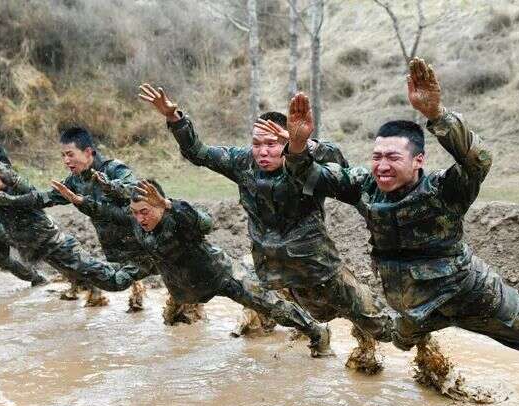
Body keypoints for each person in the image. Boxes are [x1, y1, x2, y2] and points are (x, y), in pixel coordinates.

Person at [281, 57, 519, 365]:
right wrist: (296, 146)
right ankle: (430, 367)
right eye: (377, 156)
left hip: (473, 294)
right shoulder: (363, 185)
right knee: (399, 343)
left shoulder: (444, 190)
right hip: (415, 308)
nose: (381, 166)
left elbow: (478, 160)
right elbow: (310, 176)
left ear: (418, 161)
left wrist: (436, 115)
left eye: (393, 157)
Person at [138, 83, 394, 370]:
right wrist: (176, 119)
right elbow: (198, 152)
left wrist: (302, 144)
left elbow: (338, 164)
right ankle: (310, 336)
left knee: (371, 318)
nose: (262, 151)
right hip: (271, 268)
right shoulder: (242, 163)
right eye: (257, 143)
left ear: (286, 143)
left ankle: (402, 349)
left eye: (271, 144)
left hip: (317, 267)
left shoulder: (308, 165)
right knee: (271, 305)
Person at [48, 177, 335, 358]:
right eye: (135, 213)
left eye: (145, 211)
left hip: (219, 275)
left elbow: (206, 221)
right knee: (172, 322)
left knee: (270, 305)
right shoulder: (137, 221)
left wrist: (172, 205)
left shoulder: (178, 219)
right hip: (183, 286)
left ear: (160, 206)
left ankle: (316, 333)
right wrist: (80, 202)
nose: (140, 218)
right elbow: (108, 212)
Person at [0, 140, 136, 292]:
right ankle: (94, 295)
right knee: (81, 278)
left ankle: (135, 275)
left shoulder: (19, 190)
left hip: (57, 245)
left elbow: (16, 180)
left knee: (98, 272)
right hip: (42, 252)